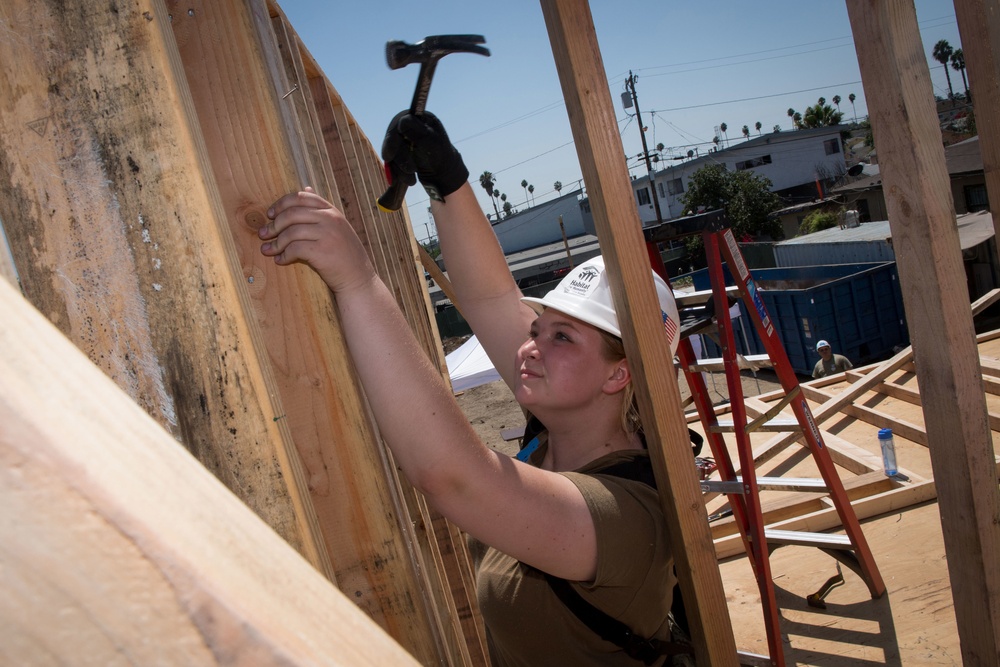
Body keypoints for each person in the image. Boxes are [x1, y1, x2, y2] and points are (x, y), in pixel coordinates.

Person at [258, 110, 688, 665]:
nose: (531, 346)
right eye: (538, 329)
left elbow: (454, 477)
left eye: (562, 337)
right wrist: (447, 182)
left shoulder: (628, 514)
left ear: (618, 374)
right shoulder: (553, 432)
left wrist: (358, 281)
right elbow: (489, 298)